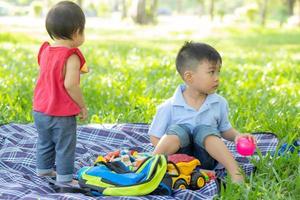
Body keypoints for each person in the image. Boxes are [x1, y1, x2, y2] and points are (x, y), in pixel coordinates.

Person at [148, 42, 256, 183]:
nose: (217, 77)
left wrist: (237, 136)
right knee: (178, 131)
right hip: (179, 162)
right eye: (211, 72)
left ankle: (235, 171)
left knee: (205, 132)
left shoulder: (218, 103)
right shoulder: (169, 106)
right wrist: (171, 157)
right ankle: (150, 168)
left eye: (218, 72)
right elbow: (155, 137)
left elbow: (225, 129)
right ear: (189, 77)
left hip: (207, 160)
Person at [32, 1, 88, 184]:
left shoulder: (45, 50)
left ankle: (43, 170)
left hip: (40, 110)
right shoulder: (71, 55)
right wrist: (81, 105)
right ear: (76, 31)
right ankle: (64, 179)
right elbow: (71, 85)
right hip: (60, 114)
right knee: (65, 146)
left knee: (45, 142)